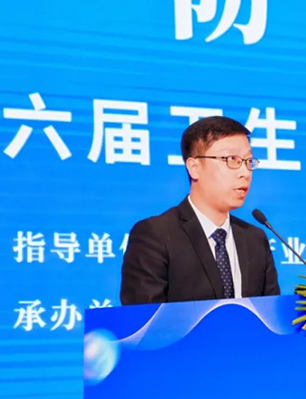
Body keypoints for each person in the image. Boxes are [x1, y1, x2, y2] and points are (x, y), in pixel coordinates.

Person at [119, 116, 280, 305]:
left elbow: (270, 315)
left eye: (248, 161)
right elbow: (144, 318)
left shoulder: (255, 239)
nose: (245, 172)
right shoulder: (156, 235)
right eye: (232, 160)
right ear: (194, 168)